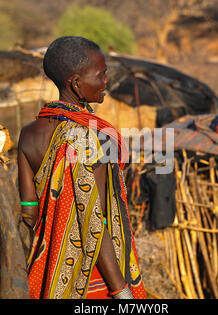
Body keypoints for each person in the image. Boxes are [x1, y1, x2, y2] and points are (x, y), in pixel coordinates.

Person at [17, 36, 146, 299]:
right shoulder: (92, 139)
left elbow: (28, 209)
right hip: (95, 279)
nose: (106, 81)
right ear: (76, 83)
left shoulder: (28, 133)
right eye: (102, 75)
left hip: (45, 271)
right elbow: (94, 224)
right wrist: (121, 290)